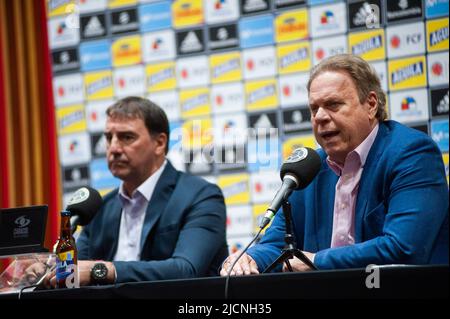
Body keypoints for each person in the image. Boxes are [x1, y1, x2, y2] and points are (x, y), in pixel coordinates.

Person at [220, 54, 449, 276]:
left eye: (333, 104)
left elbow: (404, 248)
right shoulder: (308, 169)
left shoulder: (411, 154)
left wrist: (316, 261)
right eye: (314, 109)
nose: (319, 116)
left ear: (370, 104)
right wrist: (249, 258)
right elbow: (276, 245)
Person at [48, 96, 227, 286]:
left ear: (159, 143)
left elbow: (186, 269)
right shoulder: (101, 208)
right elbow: (76, 268)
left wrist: (102, 270)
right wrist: (48, 270)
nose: (114, 148)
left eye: (127, 137)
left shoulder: (201, 196)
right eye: (109, 138)